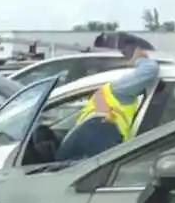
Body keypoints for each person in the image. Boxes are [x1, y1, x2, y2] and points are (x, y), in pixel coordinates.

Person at [53, 32, 160, 162]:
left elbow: (149, 71)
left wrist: (139, 60)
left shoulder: (108, 92)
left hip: (89, 136)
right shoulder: (118, 89)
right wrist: (140, 59)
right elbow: (149, 71)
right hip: (96, 134)